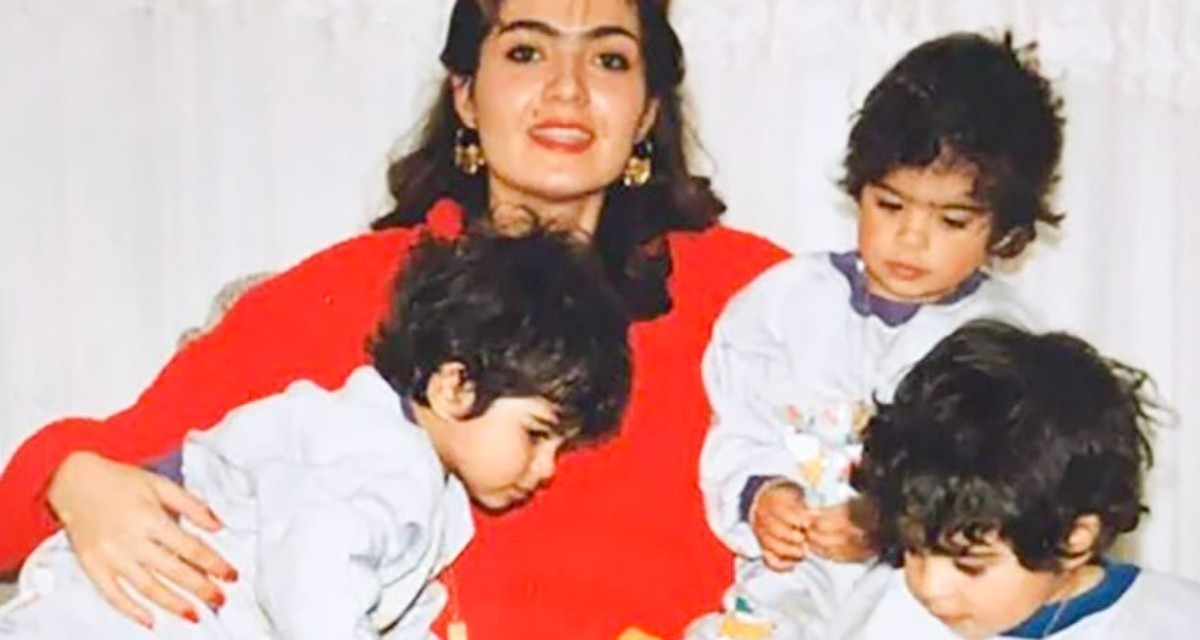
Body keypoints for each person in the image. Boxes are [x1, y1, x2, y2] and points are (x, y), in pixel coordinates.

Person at [0, 1, 788, 638]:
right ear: (465, 95)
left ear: (648, 112)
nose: (567, 89)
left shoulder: (757, 296)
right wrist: (72, 482)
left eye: (609, 59)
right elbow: (57, 485)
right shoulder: (352, 290)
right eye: (525, 51)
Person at [0, 227, 632, 639]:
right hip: (111, 616)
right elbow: (312, 565)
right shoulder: (382, 453)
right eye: (537, 435)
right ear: (454, 387)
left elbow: (383, 600)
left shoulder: (422, 483)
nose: (546, 468)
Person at [688, 32, 1064, 639]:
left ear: (1005, 232)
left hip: (924, 601)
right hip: (790, 583)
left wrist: (889, 526)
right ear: (859, 187)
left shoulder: (1006, 345)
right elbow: (738, 424)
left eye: (951, 220)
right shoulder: (784, 304)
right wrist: (761, 494)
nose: (911, 239)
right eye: (890, 206)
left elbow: (1007, 501)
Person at [833, 319, 1200, 639]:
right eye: (913, 549)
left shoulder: (1173, 623)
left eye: (970, 565)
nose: (930, 586)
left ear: (1074, 539)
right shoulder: (883, 615)